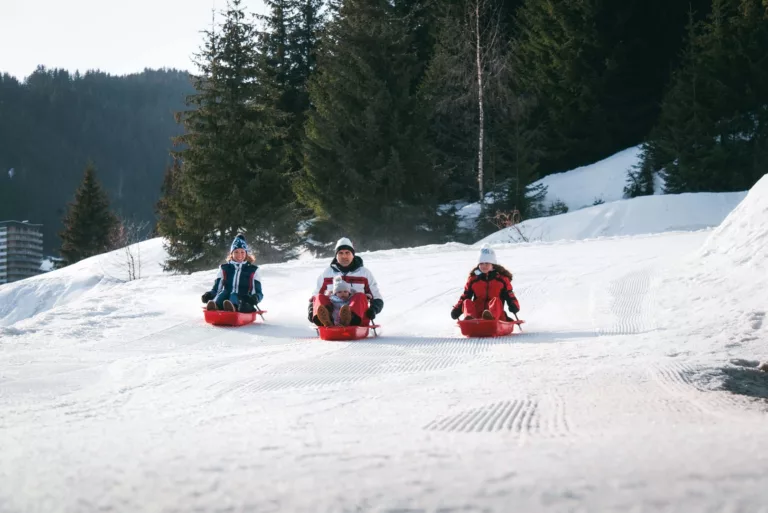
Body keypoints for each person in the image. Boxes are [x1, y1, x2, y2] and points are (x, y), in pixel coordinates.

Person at [308, 237, 383, 327]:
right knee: (319, 296)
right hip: (333, 314)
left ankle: (349, 319)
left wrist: (373, 309)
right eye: (341, 253)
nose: (344, 256)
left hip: (358, 318)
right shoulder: (327, 273)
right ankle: (325, 321)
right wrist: (312, 310)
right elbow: (315, 297)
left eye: (347, 253)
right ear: (336, 255)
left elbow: (377, 297)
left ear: (353, 254)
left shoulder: (364, 273)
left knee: (360, 296)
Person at [450, 246, 520, 321]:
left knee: (496, 300)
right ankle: (470, 319)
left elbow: (510, 295)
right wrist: (457, 309)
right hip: (477, 315)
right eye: (481, 263)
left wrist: (513, 305)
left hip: (497, 316)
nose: (484, 266)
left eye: (487, 263)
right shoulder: (473, 279)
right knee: (467, 301)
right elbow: (465, 296)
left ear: (493, 264)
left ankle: (490, 318)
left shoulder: (502, 280)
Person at [202, 234, 263, 313]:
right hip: (225, 298)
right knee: (223, 293)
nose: (239, 255)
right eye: (236, 252)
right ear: (231, 253)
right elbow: (217, 289)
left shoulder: (253, 270)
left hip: (243, 300)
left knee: (234, 294)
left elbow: (259, 293)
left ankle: (233, 307)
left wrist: (255, 298)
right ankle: (215, 306)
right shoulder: (224, 268)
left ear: (246, 253)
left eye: (242, 252)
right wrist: (209, 295)